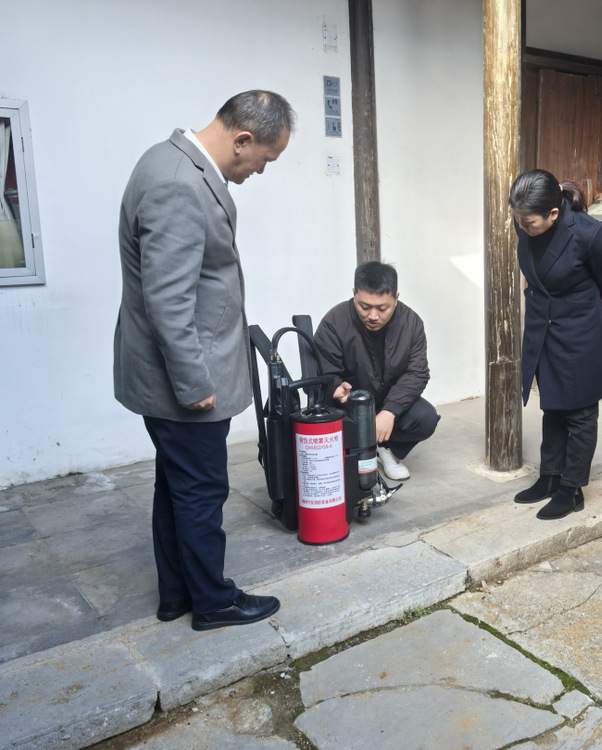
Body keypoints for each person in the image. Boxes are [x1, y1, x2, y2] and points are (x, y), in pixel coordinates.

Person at [114, 91, 294, 631]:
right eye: (264, 159)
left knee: (176, 486)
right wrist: (194, 383)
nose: (260, 171)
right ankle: (213, 602)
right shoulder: (178, 184)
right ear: (242, 140)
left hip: (170, 373)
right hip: (184, 379)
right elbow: (169, 301)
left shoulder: (168, 161)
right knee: (200, 492)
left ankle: (177, 594)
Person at [508, 170, 602, 520]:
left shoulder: (590, 233)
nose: (521, 226)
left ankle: (572, 489)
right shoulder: (526, 225)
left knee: (580, 413)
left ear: (553, 213)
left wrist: (595, 301)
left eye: (528, 222)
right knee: (553, 406)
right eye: (519, 220)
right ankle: (550, 477)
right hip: (542, 328)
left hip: (578, 331)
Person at [313, 261, 439, 481]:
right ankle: (356, 453)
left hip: (387, 400)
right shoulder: (334, 322)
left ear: (396, 298)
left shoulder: (411, 323)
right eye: (364, 307)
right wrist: (335, 387)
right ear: (354, 293)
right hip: (349, 406)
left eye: (382, 308)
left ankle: (385, 449)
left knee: (425, 418)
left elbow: (417, 373)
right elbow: (322, 372)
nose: (373, 315)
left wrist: (390, 411)